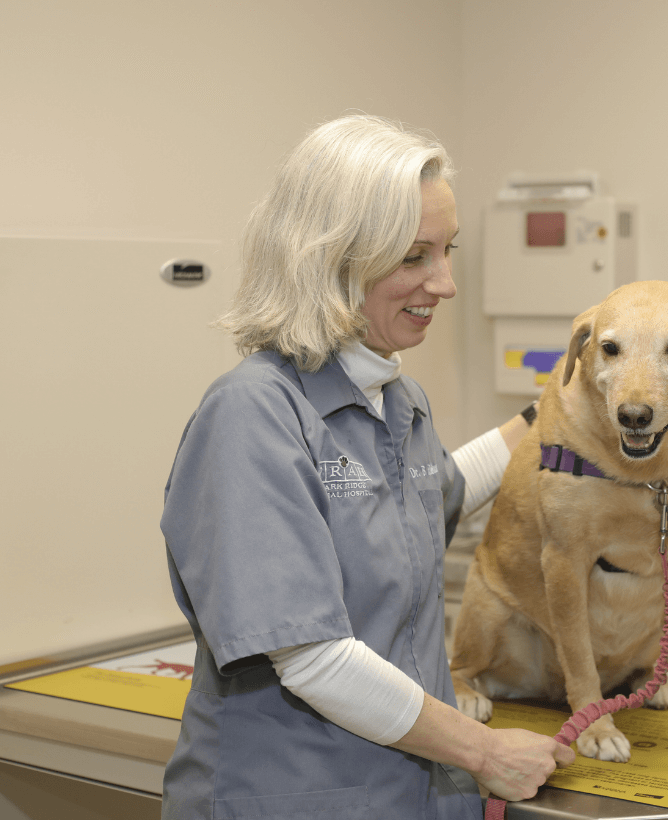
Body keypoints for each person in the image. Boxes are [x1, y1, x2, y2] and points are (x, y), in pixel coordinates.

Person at [160, 114, 573, 820]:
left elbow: (433, 494)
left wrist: (552, 414)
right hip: (295, 799)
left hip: (411, 797)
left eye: (447, 252)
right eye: (415, 257)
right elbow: (312, 657)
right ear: (330, 257)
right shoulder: (254, 415)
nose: (443, 284)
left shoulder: (393, 396)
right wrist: (482, 750)